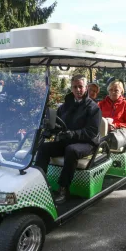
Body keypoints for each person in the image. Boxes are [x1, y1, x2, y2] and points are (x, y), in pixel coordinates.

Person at [35, 75, 101, 204]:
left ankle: (63, 188)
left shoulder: (93, 108)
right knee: (43, 148)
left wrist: (73, 134)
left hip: (87, 142)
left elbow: (92, 131)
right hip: (68, 139)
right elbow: (58, 124)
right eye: (75, 87)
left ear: (86, 87)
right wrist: (50, 128)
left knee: (71, 150)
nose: (77, 90)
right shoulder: (65, 106)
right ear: (71, 88)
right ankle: (39, 184)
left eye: (80, 86)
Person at [98, 80, 126, 149]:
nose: (113, 92)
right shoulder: (101, 104)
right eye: (111, 90)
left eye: (116, 90)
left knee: (107, 140)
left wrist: (116, 126)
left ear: (121, 91)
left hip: (116, 133)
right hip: (101, 131)